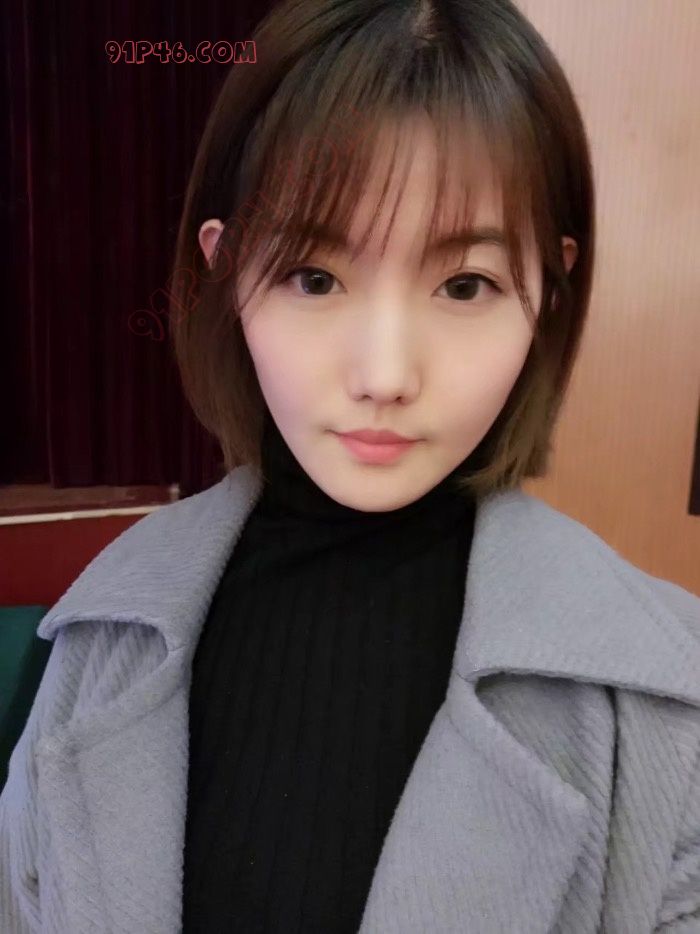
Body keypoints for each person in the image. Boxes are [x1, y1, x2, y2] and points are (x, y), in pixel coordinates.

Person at [2, 0, 700, 931]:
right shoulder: (95, 640)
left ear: (547, 289)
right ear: (227, 272)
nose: (385, 375)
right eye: (315, 278)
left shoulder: (668, 704)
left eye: (465, 285)